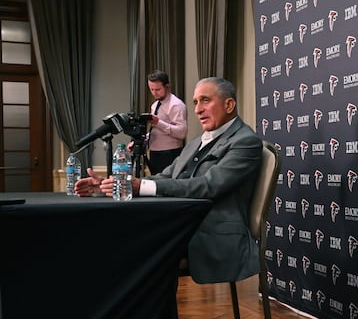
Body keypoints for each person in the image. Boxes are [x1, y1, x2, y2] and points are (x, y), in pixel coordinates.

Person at [75, 77, 262, 284]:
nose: (198, 110)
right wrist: (110, 185)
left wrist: (140, 187)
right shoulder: (195, 143)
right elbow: (164, 177)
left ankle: (150, 316)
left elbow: (209, 185)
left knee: (134, 250)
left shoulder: (246, 142)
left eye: (205, 100)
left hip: (210, 234)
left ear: (229, 105)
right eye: (195, 102)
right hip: (178, 224)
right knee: (116, 239)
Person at [145, 70, 187, 175]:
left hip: (170, 154)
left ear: (167, 86)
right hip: (154, 153)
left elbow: (182, 132)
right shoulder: (154, 105)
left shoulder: (176, 105)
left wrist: (158, 122)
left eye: (158, 89)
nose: (154, 93)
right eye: (151, 89)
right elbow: (156, 131)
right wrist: (143, 140)